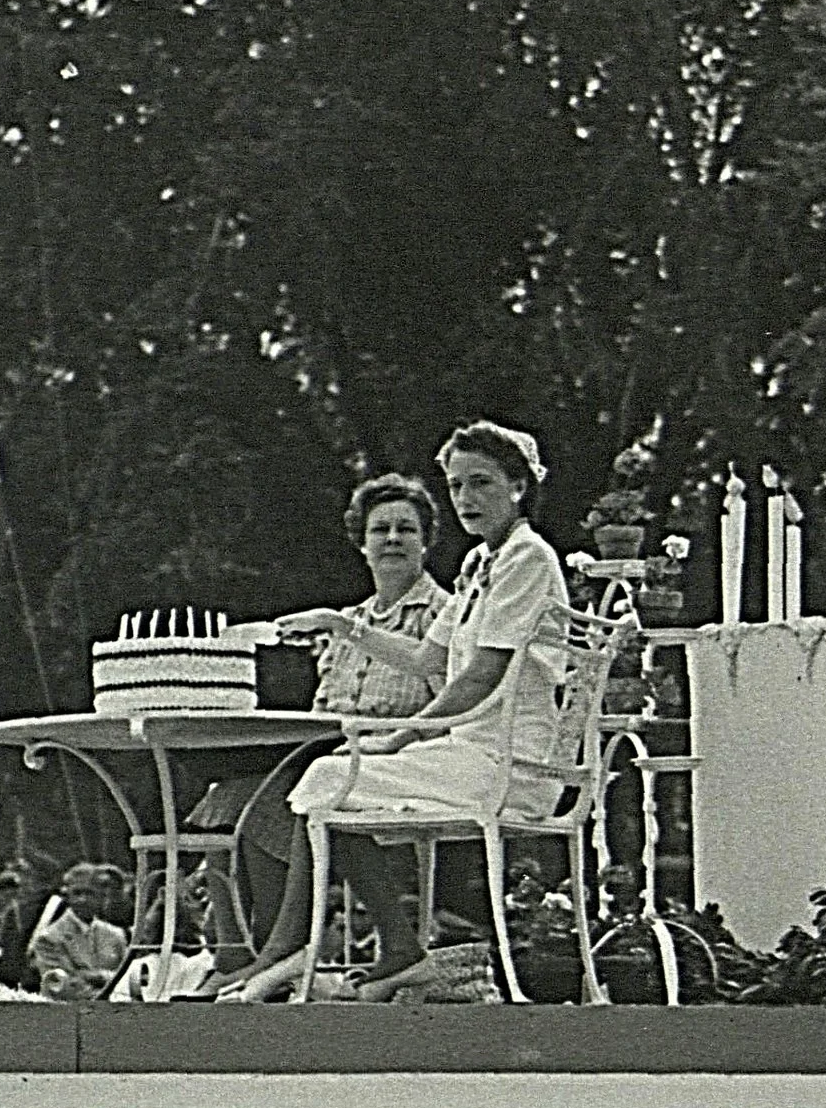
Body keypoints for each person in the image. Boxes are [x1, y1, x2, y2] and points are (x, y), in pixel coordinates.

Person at [225, 420, 570, 1003]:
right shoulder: (480, 565)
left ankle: (300, 949)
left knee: (334, 777)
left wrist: (401, 737)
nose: (466, 500)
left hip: (510, 762)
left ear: (518, 485)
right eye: (457, 486)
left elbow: (483, 676)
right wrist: (342, 625)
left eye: (481, 483)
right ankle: (385, 946)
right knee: (331, 783)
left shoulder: (527, 559)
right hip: (470, 753)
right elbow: (422, 656)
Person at [185, 473, 451, 986]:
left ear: (426, 541)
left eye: (406, 529)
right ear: (362, 543)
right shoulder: (345, 621)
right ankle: (239, 953)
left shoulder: (440, 616)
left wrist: (394, 738)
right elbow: (323, 704)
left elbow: (445, 704)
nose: (393, 539)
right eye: (381, 530)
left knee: (284, 799)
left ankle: (285, 948)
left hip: (397, 755)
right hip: (330, 748)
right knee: (225, 800)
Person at [28, 862, 128, 1001]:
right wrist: (111, 988)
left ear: (101, 896)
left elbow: (126, 979)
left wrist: (96, 976)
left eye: (89, 893)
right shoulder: (49, 938)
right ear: (67, 895)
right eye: (77, 893)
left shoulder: (116, 935)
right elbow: (64, 987)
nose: (83, 900)